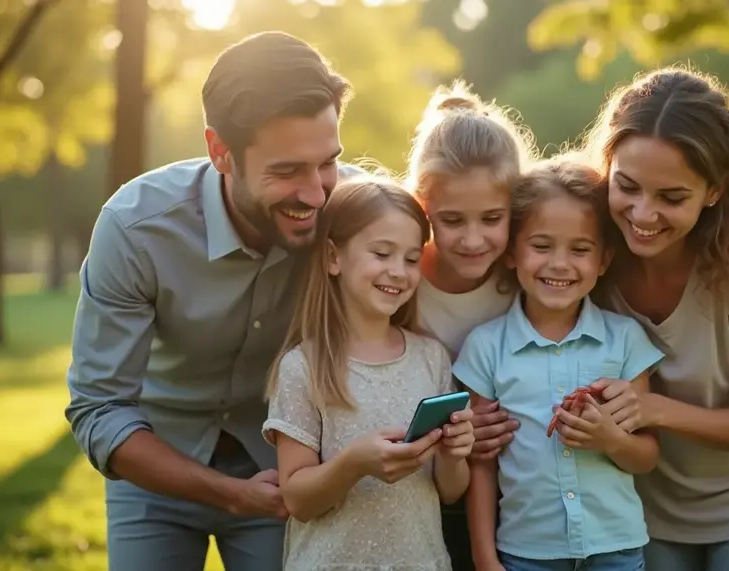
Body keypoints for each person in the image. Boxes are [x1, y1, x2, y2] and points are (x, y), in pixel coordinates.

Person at [472, 66, 729, 571]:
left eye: (672, 197)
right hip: (644, 508)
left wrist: (652, 411)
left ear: (714, 191)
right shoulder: (592, 257)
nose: (644, 214)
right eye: (627, 186)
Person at [64, 31, 364, 571]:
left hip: (288, 477)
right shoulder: (135, 230)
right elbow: (100, 409)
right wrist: (229, 493)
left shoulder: (354, 214)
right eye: (286, 170)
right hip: (156, 469)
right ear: (219, 152)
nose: (317, 194)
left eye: (327, 163)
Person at [454, 157, 666, 571]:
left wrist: (612, 440)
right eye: (541, 246)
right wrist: (484, 558)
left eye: (580, 249)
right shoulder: (484, 348)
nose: (559, 264)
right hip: (525, 554)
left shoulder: (625, 341)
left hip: (615, 551)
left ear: (603, 261)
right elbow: (481, 463)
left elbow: (646, 456)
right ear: (512, 252)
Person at [263, 175, 475, 570]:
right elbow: (297, 499)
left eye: (412, 259)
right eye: (382, 254)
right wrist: (354, 463)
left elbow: (450, 491)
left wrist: (454, 453)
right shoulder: (304, 368)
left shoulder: (432, 358)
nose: (399, 271)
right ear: (333, 258)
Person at [404, 80, 538, 570]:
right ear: (424, 207)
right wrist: (453, 432)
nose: (473, 239)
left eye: (492, 218)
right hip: (422, 488)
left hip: (516, 490)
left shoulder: (523, 278)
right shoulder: (403, 279)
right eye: (453, 220)